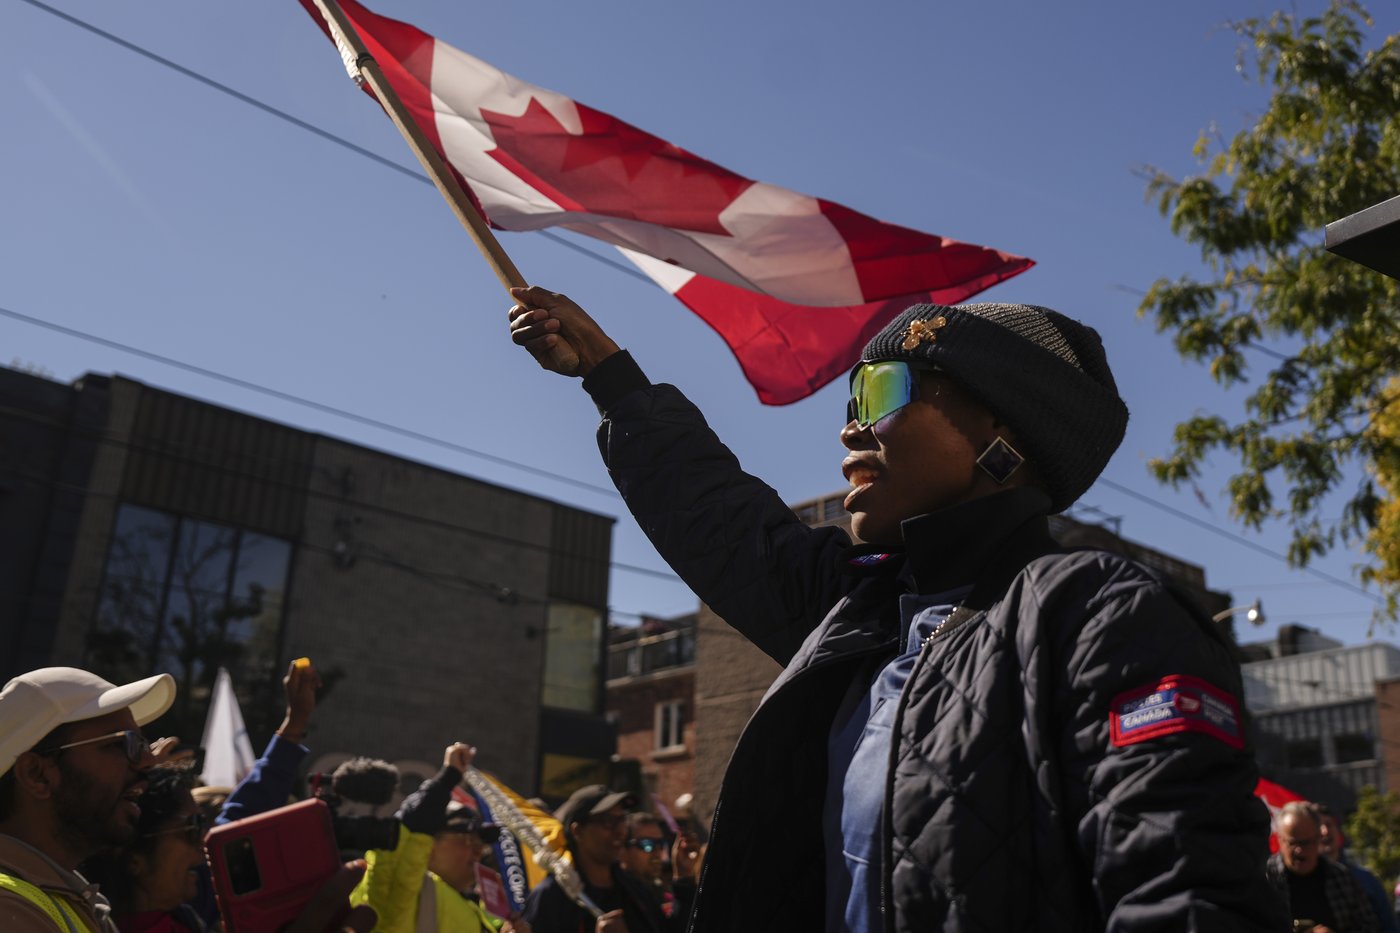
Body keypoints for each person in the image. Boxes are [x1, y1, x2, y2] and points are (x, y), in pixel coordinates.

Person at [509, 287, 1288, 931]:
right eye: (852, 397)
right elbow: (725, 521)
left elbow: (1188, 894)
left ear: (1002, 430)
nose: (850, 425)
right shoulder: (861, 613)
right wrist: (610, 377)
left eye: (882, 391)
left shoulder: (1100, 616)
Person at [0, 666, 175, 932]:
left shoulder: (67, 897)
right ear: (37, 775)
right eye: (122, 744)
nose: (149, 760)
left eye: (141, 744)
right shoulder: (8, 909)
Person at [521, 785, 669, 933]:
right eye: (607, 821)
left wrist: (681, 882)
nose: (619, 831)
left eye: (621, 819)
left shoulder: (635, 892)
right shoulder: (551, 897)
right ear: (578, 831)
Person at [81, 766, 209, 931]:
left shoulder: (189, 920)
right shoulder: (87, 926)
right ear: (134, 860)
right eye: (193, 827)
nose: (204, 839)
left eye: (203, 821)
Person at [1268, 801, 1377, 933]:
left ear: (1318, 838)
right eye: (1293, 843)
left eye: (1306, 843)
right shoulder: (1265, 879)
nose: (1299, 851)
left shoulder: (1341, 879)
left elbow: (1369, 926)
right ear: (1280, 840)